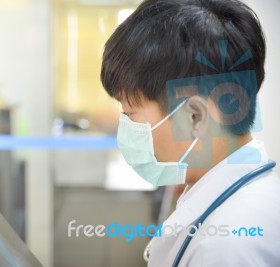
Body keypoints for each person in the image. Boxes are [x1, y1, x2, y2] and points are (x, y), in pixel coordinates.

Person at [100, 0, 280, 266]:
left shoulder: (227, 249)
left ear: (195, 116)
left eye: (130, 113)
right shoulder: (226, 192)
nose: (125, 126)